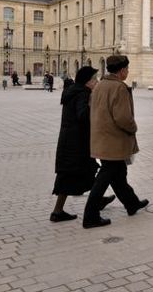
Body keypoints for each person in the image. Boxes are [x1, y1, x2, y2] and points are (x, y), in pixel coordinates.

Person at [82, 55, 148, 229]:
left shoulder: (100, 85)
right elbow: (123, 118)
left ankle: (131, 203)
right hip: (113, 140)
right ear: (121, 71)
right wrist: (133, 127)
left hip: (101, 138)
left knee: (118, 176)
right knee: (104, 178)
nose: (127, 72)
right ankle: (90, 215)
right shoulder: (119, 88)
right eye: (127, 69)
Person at [51, 66, 115, 222]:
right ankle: (58, 211)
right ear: (88, 81)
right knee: (78, 172)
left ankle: (95, 201)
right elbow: (83, 115)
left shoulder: (73, 91)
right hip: (77, 143)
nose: (97, 81)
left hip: (69, 140)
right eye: (95, 79)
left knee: (79, 173)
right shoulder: (83, 94)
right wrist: (95, 105)